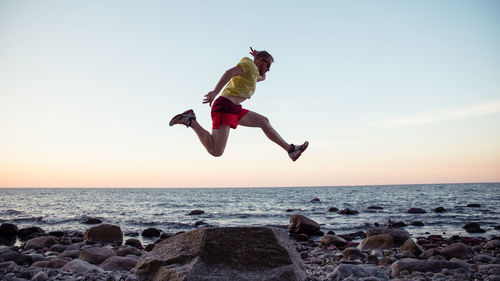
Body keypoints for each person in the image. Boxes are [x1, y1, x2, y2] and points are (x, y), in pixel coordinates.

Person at [169, 47, 308, 161]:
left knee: (264, 121)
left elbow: (263, 77)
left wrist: (259, 57)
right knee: (216, 151)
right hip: (224, 106)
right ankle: (190, 120)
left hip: (234, 109)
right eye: (268, 65)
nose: (269, 69)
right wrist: (214, 92)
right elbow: (230, 73)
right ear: (259, 61)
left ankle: (291, 150)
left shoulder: (254, 75)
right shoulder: (248, 65)